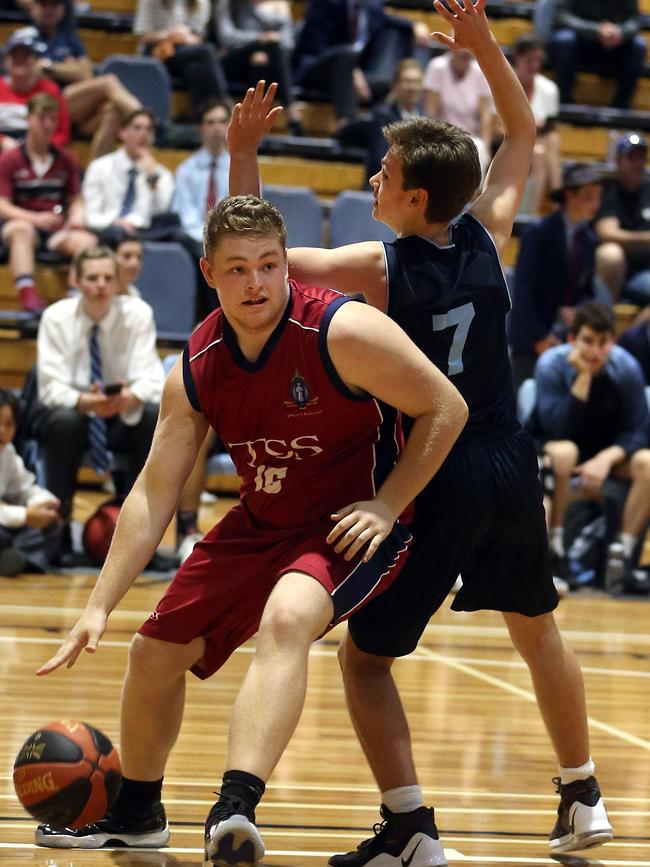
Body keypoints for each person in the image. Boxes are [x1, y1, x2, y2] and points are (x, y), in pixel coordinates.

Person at [228, 0, 613, 859]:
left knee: (363, 661)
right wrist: (485, 48)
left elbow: (261, 261)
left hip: (439, 468)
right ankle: (583, 792)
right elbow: (521, 126)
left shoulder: (378, 264)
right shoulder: (492, 228)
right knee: (537, 625)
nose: (371, 179)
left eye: (383, 172)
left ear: (410, 196)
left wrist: (245, 157)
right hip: (513, 458)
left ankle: (409, 825)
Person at [32, 195, 468, 862]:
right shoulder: (197, 364)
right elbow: (154, 489)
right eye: (237, 270)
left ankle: (235, 806)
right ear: (209, 272)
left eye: (269, 265)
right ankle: (139, 810)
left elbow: (445, 405)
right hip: (259, 521)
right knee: (151, 653)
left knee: (287, 618)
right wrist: (98, 605)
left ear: (286, 265)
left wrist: (389, 502)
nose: (256, 282)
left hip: (347, 526)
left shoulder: (341, 331)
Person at [31, 245, 164, 556]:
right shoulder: (55, 317)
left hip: (121, 413)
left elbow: (154, 381)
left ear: (118, 282)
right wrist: (84, 401)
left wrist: (130, 397)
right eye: (92, 277)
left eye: (108, 277)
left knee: (151, 416)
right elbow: (49, 388)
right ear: (76, 280)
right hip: (75, 414)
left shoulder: (137, 313)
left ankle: (141, 537)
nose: (101, 285)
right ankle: (57, 532)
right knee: (64, 422)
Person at [532, 301, 650, 591]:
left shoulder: (626, 368)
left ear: (613, 341)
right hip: (556, 448)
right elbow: (554, 428)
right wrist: (582, 378)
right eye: (587, 341)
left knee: (648, 462)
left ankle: (622, 559)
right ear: (572, 339)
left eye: (603, 343)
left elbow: (639, 430)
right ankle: (554, 551)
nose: (594, 352)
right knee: (565, 452)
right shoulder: (551, 364)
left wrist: (607, 459)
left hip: (606, 454)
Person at [508, 163, 604, 388]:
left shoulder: (589, 239)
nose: (595, 205)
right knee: (525, 403)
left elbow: (587, 290)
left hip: (567, 339)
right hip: (533, 338)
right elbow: (524, 290)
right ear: (569, 195)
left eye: (598, 198)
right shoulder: (538, 232)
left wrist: (579, 310)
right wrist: (538, 336)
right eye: (588, 197)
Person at [0, 92, 96, 312]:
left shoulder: (66, 159)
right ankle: (28, 295)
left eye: (53, 118)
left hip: (55, 227)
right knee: (20, 230)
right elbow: (2, 205)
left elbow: (76, 199)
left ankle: (73, 301)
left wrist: (76, 216)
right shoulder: (11, 159)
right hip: (23, 223)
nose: (48, 124)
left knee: (87, 242)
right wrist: (35, 218)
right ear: (29, 119)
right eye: (42, 117)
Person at [29, 0, 143, 161]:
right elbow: (35, 70)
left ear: (63, 9)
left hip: (76, 106)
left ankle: (95, 177)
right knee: (108, 82)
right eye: (44, 4)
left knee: (112, 111)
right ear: (33, 8)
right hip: (47, 102)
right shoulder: (27, 36)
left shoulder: (69, 38)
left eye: (54, 5)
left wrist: (51, 68)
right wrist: (67, 68)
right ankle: (142, 118)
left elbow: (86, 74)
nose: (49, 9)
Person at [293, 0, 431, 130]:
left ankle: (383, 134)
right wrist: (351, 69)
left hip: (351, 75)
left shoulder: (371, 5)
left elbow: (386, 18)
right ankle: (345, 125)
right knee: (345, 56)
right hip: (316, 70)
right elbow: (315, 45)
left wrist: (413, 24)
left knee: (390, 86)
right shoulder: (326, 2)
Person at [81, 109, 175, 245]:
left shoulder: (161, 174)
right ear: (122, 133)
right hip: (109, 229)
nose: (143, 134)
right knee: (117, 234)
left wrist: (152, 179)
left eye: (149, 130)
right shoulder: (100, 168)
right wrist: (114, 222)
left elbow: (161, 212)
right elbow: (91, 216)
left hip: (145, 233)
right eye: (137, 128)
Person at [214, 0, 303, 135]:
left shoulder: (279, 6)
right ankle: (291, 112)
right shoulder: (228, 3)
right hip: (233, 60)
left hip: (268, 60)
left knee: (263, 60)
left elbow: (288, 44)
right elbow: (227, 38)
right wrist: (260, 39)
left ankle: (254, 126)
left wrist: (264, 45)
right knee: (270, 47)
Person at [0, 387, 62, 577]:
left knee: (53, 527)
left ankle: (12, 558)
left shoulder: (7, 452)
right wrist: (25, 515)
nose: (2, 430)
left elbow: (26, 488)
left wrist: (48, 504)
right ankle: (22, 559)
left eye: (9, 424)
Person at [133, 0, 230, 118]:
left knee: (195, 69)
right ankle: (225, 104)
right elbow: (142, 36)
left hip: (187, 52)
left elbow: (198, 37)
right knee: (207, 51)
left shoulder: (201, 2)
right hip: (157, 53)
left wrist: (186, 38)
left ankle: (199, 119)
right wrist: (171, 34)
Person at [549, 0, 646, 110]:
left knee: (639, 46)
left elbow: (635, 20)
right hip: (580, 42)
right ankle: (564, 102)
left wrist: (620, 32)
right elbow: (562, 16)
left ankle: (621, 108)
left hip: (614, 44)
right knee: (564, 40)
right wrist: (596, 30)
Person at [595, 131, 650, 306]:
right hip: (621, 271)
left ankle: (630, 334)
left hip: (646, 269)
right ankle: (602, 320)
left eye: (641, 158)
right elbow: (607, 233)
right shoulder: (608, 189)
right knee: (611, 254)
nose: (637, 164)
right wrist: (646, 239)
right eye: (631, 158)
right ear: (618, 160)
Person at [511, 32, 561, 213]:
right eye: (529, 60)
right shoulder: (503, 81)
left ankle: (550, 200)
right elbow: (496, 129)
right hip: (506, 142)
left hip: (535, 144)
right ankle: (556, 201)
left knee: (548, 144)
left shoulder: (549, 89)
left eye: (538, 60)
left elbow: (550, 128)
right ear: (517, 57)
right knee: (542, 149)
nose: (534, 66)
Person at [422, 46, 493, 174]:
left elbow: (485, 115)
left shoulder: (480, 71)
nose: (464, 53)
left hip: (471, 139)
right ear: (451, 48)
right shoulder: (437, 67)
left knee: (481, 152)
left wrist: (486, 147)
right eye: (460, 48)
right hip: (442, 137)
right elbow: (430, 110)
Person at [0, 27, 70, 148]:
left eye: (25, 56)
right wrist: (2, 141)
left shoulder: (49, 90)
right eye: (15, 55)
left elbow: (62, 133)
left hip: (38, 152)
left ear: (36, 60)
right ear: (6, 60)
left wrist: (37, 150)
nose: (20, 60)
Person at [365, 58, 423, 181]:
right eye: (407, 81)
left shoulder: (424, 119)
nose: (412, 88)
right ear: (395, 85)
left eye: (417, 82)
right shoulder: (382, 115)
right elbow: (380, 158)